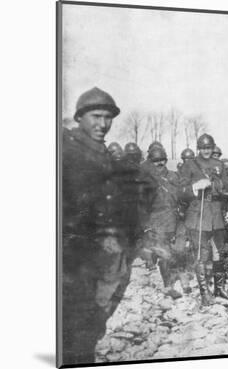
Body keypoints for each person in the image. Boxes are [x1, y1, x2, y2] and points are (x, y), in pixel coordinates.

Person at [62, 87, 140, 365]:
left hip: (103, 255)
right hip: (74, 257)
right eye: (96, 116)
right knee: (74, 325)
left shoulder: (103, 154)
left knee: (92, 325)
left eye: (108, 118)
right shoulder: (65, 149)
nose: (103, 124)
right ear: (80, 117)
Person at [179, 134, 228, 305]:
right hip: (198, 213)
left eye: (209, 148)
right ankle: (205, 293)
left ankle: (219, 289)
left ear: (213, 148)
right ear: (198, 148)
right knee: (201, 255)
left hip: (216, 213)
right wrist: (194, 187)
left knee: (219, 252)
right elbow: (180, 190)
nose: (206, 151)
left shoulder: (219, 165)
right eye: (203, 148)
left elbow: (227, 189)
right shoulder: (190, 165)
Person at [140, 146, 185, 299]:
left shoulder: (174, 176)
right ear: (151, 162)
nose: (159, 163)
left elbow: (182, 196)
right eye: (155, 161)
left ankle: (176, 278)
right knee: (164, 252)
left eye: (161, 160)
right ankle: (168, 286)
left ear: (166, 161)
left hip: (174, 218)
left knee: (178, 250)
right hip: (156, 220)